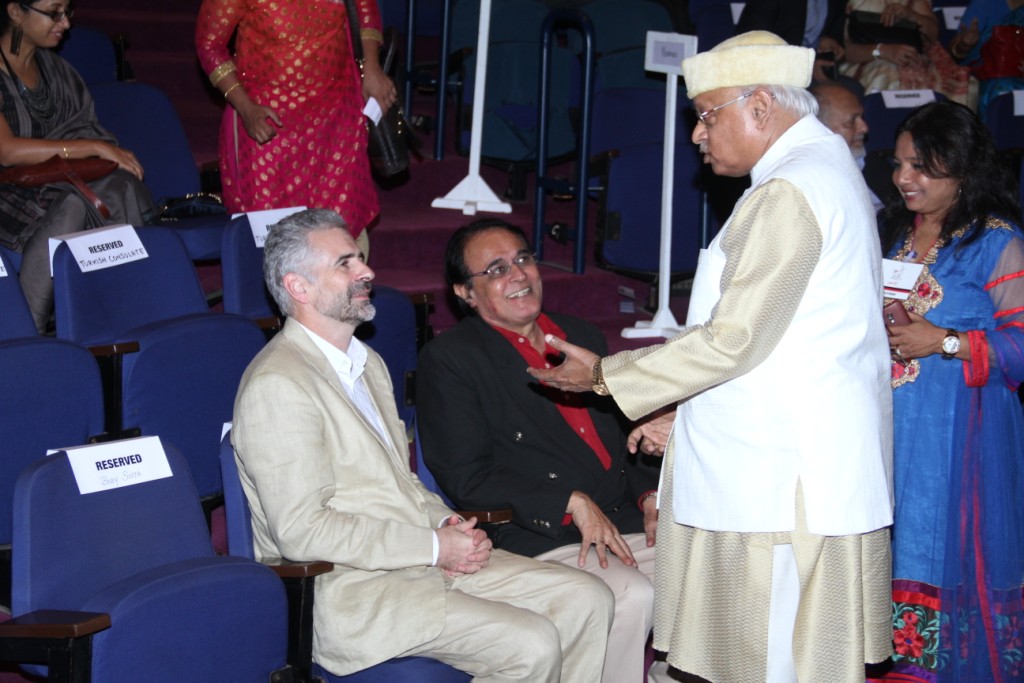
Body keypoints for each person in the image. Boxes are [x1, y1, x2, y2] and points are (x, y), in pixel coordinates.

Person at [530, 31, 895, 682]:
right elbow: (787, 337)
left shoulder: (790, 190)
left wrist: (606, 375)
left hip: (782, 480)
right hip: (796, 454)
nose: (698, 135)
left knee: (770, 660)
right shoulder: (823, 170)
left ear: (761, 106)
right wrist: (683, 412)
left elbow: (735, 338)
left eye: (706, 115)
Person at [232, 208, 614, 680]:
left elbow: (399, 483)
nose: (367, 271)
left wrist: (444, 522)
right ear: (299, 287)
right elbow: (302, 531)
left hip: (417, 564)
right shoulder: (278, 384)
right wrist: (433, 545)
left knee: (588, 599)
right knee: (530, 643)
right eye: (345, 263)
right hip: (354, 592)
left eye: (360, 258)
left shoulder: (367, 363)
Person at [416, 219, 667, 683]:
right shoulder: (452, 359)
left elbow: (625, 438)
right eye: (496, 269)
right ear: (465, 293)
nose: (518, 274)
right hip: (539, 534)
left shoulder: (581, 337)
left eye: (523, 259)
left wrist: (648, 496)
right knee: (630, 593)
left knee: (716, 563)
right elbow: (466, 476)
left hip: (624, 520)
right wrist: (569, 501)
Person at [878, 100, 1024, 682]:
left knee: (941, 547)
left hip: (960, 439)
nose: (904, 178)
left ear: (962, 169)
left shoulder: (996, 242)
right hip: (887, 425)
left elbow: (1021, 343)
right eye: (899, 163)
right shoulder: (895, 232)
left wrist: (944, 341)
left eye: (922, 166)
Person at [195, 0, 396, 253]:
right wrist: (245, 107)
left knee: (342, 228)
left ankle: (343, 278)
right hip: (268, 124)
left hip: (336, 116)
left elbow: (365, 8)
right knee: (273, 239)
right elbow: (209, 45)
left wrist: (372, 67)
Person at [0, 0, 152, 332]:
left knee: (121, 187)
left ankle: (128, 321)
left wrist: (94, 151)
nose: (65, 23)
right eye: (54, 13)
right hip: (9, 190)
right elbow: (7, 151)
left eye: (68, 12)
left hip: (62, 180)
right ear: (15, 12)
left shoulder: (58, 72)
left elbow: (83, 128)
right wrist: (94, 147)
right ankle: (29, 333)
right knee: (72, 206)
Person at [839, 0, 971, 106]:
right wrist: (882, 51)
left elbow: (933, 34)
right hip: (867, 59)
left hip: (915, 57)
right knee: (888, 75)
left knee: (959, 81)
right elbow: (844, 51)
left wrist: (910, 15)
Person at [810, 81, 893, 211]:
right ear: (820, 128)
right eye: (852, 121)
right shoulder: (812, 183)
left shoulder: (875, 165)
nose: (864, 128)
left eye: (862, 117)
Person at [736, 0, 847, 82]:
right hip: (772, 75)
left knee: (851, 91)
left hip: (818, 71)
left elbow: (836, 34)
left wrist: (831, 43)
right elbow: (749, 45)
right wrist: (805, 67)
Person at [949, 0, 1024, 118]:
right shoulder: (986, 4)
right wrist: (965, 45)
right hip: (995, 80)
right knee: (1002, 89)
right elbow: (955, 53)